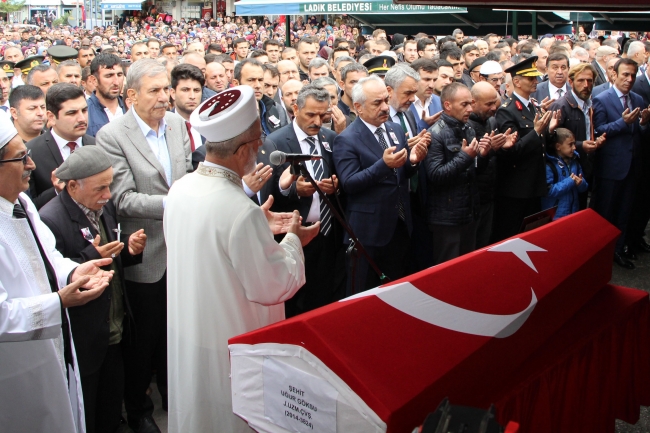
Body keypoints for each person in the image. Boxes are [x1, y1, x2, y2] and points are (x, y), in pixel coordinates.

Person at [165, 85, 319, 433]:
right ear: (244, 149)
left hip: (192, 337)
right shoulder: (238, 209)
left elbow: (210, 249)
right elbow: (274, 284)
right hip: (231, 344)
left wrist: (259, 229)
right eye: (258, 139)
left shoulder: (181, 189)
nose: (262, 146)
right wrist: (293, 237)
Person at [0, 115, 113, 433]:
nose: (32, 165)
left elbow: (49, 257)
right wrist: (58, 302)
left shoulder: (21, 201)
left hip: (55, 349)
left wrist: (77, 270)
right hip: (15, 368)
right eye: (21, 157)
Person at [96, 58, 192, 432]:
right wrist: (175, 203)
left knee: (178, 334)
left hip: (183, 250)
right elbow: (122, 200)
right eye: (154, 91)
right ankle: (139, 411)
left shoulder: (176, 125)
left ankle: (177, 398)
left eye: (167, 88)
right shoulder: (113, 135)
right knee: (142, 343)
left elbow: (186, 178)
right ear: (131, 94)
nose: (165, 97)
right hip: (145, 254)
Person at [39, 146, 147, 433]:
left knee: (111, 409)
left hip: (114, 331)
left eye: (109, 185)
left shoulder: (104, 206)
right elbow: (51, 278)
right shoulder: (49, 220)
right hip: (85, 340)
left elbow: (109, 258)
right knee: (88, 412)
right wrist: (91, 255)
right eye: (101, 188)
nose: (108, 194)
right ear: (73, 186)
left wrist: (129, 251)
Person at [333, 75, 427, 293]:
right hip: (368, 232)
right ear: (358, 107)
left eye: (386, 100)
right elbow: (349, 183)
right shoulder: (347, 139)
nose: (385, 107)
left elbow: (400, 174)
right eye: (377, 103)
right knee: (364, 292)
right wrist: (383, 165)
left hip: (400, 225)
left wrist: (413, 161)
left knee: (397, 288)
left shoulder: (394, 129)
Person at [492, 56, 560, 243]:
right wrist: (537, 131)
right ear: (516, 81)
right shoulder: (508, 110)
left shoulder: (532, 106)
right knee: (512, 236)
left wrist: (550, 131)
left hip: (533, 183)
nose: (536, 81)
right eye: (530, 79)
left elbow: (542, 142)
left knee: (530, 234)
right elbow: (511, 151)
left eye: (535, 78)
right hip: (516, 188)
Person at [592, 58, 650, 270]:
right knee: (606, 211)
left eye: (633, 75)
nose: (629, 79)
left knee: (625, 212)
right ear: (614, 75)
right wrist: (622, 123)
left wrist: (643, 124)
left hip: (633, 166)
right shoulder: (602, 99)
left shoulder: (637, 99)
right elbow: (598, 130)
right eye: (625, 74)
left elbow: (640, 134)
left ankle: (619, 248)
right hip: (611, 167)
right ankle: (602, 251)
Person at [426, 82, 489, 265]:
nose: (470, 109)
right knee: (448, 268)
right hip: (447, 219)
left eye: (471, 103)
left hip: (469, 213)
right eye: (464, 104)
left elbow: (474, 172)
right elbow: (436, 175)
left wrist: (483, 156)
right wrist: (465, 157)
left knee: (468, 267)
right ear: (447, 105)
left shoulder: (468, 128)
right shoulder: (436, 134)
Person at [27, 83, 94, 210]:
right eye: (72, 113)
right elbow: (29, 207)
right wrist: (56, 191)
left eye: (84, 110)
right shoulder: (32, 152)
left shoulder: (97, 145)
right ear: (51, 117)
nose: (81, 118)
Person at [549, 63, 604, 211]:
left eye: (590, 80)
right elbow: (552, 140)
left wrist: (596, 140)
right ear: (571, 82)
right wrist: (580, 145)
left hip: (587, 166)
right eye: (581, 80)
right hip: (566, 170)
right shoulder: (561, 105)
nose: (586, 85)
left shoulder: (591, 103)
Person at [468, 81, 516, 248]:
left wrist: (502, 147)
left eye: (494, 103)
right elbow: (470, 164)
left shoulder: (491, 122)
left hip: (490, 195)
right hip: (473, 200)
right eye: (488, 104)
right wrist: (488, 151)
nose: (494, 108)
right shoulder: (465, 126)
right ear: (473, 102)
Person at [541, 128, 588, 220]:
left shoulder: (575, 162)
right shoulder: (550, 165)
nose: (574, 147)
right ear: (558, 146)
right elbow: (548, 191)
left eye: (574, 144)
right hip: (555, 216)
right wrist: (570, 181)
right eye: (570, 145)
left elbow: (584, 187)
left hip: (573, 212)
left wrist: (580, 184)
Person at [233, 59, 286, 135]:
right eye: (251, 80)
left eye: (260, 80)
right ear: (236, 83)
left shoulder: (273, 109)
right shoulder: (228, 116)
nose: (258, 85)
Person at [170, 64, 207, 170]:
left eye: (196, 90)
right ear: (172, 93)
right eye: (185, 90)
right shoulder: (163, 126)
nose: (192, 96)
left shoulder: (212, 125)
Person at [87, 54, 127, 137]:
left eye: (119, 75)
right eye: (109, 76)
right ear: (94, 80)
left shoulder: (132, 108)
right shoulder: (84, 112)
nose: (116, 82)